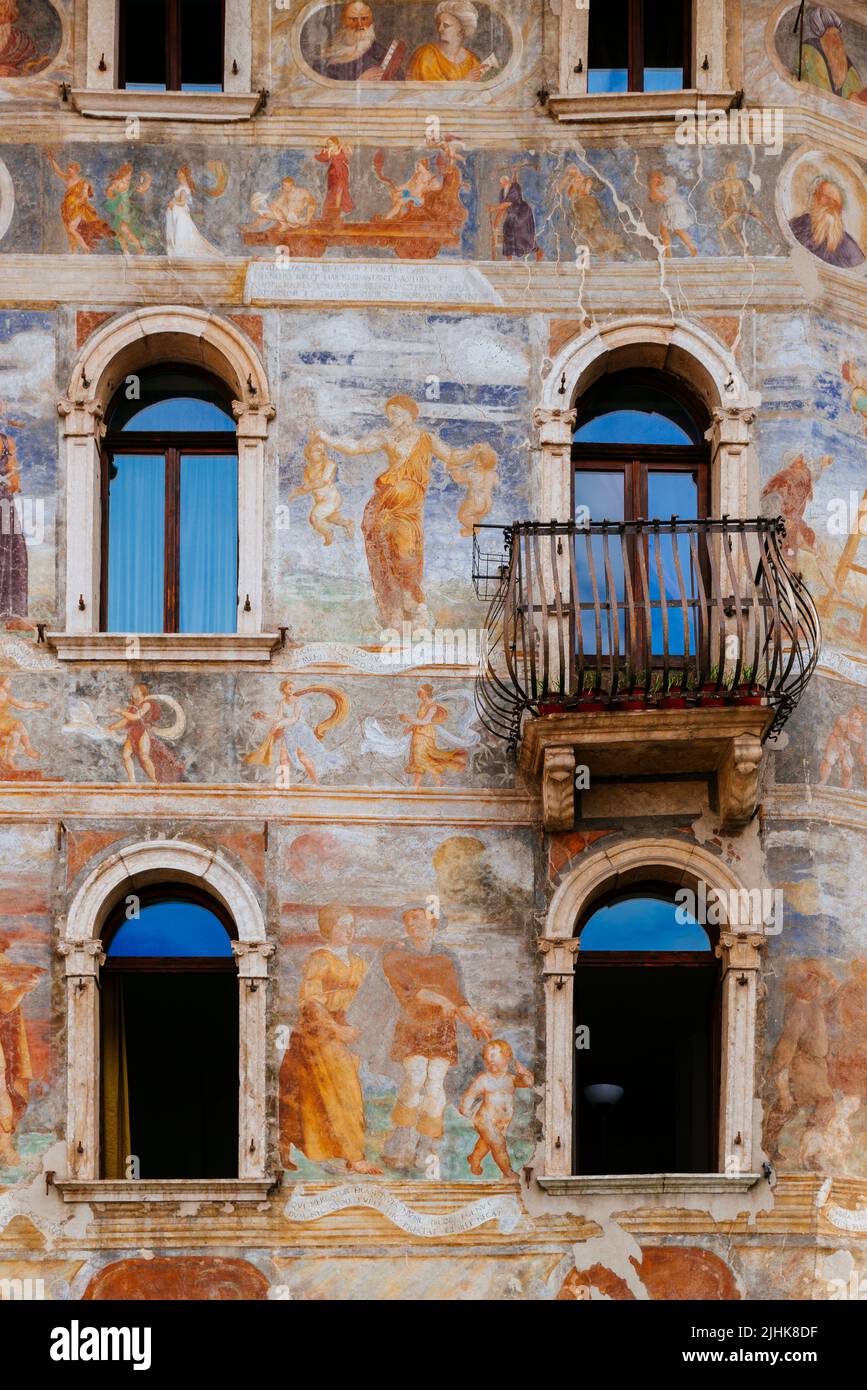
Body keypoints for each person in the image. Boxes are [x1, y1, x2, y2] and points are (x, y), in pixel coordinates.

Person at [315, 396, 492, 629]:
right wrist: (326, 438)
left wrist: (473, 452)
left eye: (397, 413)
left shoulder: (426, 439)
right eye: (390, 414)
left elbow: (451, 455)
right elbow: (357, 446)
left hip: (409, 510)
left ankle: (413, 602)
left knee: (406, 552)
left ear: (411, 413)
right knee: (386, 553)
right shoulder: (387, 438)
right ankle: (396, 610)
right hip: (385, 505)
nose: (393, 418)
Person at [381, 907, 492, 1171]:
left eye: (417, 918)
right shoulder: (395, 956)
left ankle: (426, 1142)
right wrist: (443, 1001)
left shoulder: (446, 958)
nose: (411, 924)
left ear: (433, 923)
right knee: (416, 1076)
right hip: (413, 1026)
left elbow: (458, 997)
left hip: (442, 1028)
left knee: (434, 1085)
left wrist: (474, 1018)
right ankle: (402, 1134)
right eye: (407, 920)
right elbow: (410, 992)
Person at [279, 906, 382, 1174]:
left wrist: (363, 1027)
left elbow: (369, 998)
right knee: (342, 1092)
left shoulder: (359, 962)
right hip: (319, 1034)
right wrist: (336, 1030)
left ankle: (337, 1151)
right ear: (328, 929)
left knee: (327, 1095)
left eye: (352, 925)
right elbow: (310, 1002)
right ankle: (354, 1156)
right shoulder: (320, 959)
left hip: (350, 1033)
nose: (349, 930)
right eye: (342, 925)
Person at [244, 679, 348, 784]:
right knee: (283, 757)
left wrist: (279, 724)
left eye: (292, 688)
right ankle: (285, 784)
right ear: (283, 689)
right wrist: (264, 716)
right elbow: (278, 717)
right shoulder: (282, 702)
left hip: (300, 730)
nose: (291, 690)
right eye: (289, 688)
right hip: (289, 731)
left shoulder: (298, 701)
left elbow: (294, 718)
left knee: (302, 756)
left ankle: (316, 783)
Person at [459, 1039, 533, 1179]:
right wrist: (465, 1108)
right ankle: (508, 1172)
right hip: (484, 1119)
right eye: (486, 1057)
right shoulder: (484, 1079)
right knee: (498, 1145)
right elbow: (471, 1093)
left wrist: (524, 1073)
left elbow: (528, 1083)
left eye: (493, 1055)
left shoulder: (511, 1079)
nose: (489, 1058)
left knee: (486, 1143)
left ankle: (474, 1159)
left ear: (507, 1057)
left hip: (502, 1122)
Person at [0, 937, 43, 1167]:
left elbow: (5, 1003)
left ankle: (4, 1145)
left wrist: (22, 988)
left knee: (0, 1090)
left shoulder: (2, 962)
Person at [105, 683, 186, 784]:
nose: (133, 692)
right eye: (133, 691)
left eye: (136, 690)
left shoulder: (147, 703)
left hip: (143, 731)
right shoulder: (132, 708)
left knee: (144, 756)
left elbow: (137, 717)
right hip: (133, 732)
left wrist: (120, 711)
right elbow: (126, 721)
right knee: (126, 755)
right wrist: (111, 727)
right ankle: (132, 781)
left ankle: (155, 781)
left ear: (142, 692)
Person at [788, 176, 866, 268]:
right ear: (815, 198)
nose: (830, 204)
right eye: (826, 197)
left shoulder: (847, 243)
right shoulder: (798, 225)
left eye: (835, 202)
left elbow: (859, 265)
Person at [400, 685, 468, 788]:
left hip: (426, 734)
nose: (420, 694)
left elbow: (425, 722)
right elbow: (419, 719)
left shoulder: (433, 707)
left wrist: (408, 719)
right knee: (418, 759)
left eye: (421, 692)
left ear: (427, 693)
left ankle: (439, 779)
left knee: (420, 758)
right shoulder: (422, 705)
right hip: (417, 734)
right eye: (419, 692)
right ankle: (415, 785)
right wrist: (409, 728)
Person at [291, 436, 354, 545]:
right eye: (317, 450)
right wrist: (297, 492)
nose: (322, 452)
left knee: (315, 517)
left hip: (331, 498)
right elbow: (307, 485)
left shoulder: (329, 464)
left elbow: (323, 481)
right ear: (309, 453)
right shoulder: (307, 470)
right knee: (330, 518)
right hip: (320, 500)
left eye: (323, 450)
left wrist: (304, 489)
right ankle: (347, 523)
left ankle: (328, 533)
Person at [46, 153, 114, 254]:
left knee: (72, 228)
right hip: (67, 209)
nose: (69, 170)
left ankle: (86, 248)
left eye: (71, 168)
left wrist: (76, 202)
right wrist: (52, 160)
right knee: (69, 231)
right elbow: (58, 171)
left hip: (78, 208)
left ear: (76, 170)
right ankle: (74, 251)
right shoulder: (67, 178)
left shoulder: (83, 182)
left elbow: (84, 196)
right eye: (68, 168)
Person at [309, 1, 391, 82]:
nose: (359, 24)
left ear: (371, 21)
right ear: (343, 22)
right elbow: (319, 88)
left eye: (364, 19)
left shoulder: (380, 52)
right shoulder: (328, 55)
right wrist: (360, 81)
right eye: (353, 19)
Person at [800, 6, 866, 102]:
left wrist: (856, 98)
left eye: (838, 35)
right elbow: (819, 94)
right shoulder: (811, 50)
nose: (837, 41)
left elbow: (858, 95)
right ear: (822, 39)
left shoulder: (846, 64)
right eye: (832, 35)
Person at [407, 1, 484, 81]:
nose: (440, 29)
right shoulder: (427, 54)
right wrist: (465, 82)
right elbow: (434, 91)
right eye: (439, 24)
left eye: (446, 25)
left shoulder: (472, 60)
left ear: (461, 30)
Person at [0, 418, 27, 617]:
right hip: (4, 502)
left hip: (4, 503)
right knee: (11, 551)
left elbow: (14, 481)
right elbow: (14, 481)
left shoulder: (8, 442)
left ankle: (7, 610)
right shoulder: (7, 442)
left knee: (11, 550)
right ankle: (8, 609)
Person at [165, 167, 222, 259]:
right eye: (178, 173)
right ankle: (177, 250)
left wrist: (173, 202)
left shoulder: (183, 188)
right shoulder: (181, 186)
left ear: (184, 175)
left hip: (180, 213)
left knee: (181, 231)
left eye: (180, 173)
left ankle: (181, 250)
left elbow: (182, 203)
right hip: (177, 213)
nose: (178, 175)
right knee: (179, 230)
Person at [490, 173, 542, 260]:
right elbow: (502, 208)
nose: (502, 185)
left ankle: (538, 251)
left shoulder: (515, 187)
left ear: (508, 181)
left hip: (522, 213)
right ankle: (509, 259)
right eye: (501, 183)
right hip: (512, 215)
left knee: (521, 234)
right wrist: (496, 222)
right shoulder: (502, 192)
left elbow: (507, 203)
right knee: (507, 230)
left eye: (504, 183)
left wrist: (493, 208)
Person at [104, 163, 153, 255]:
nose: (129, 177)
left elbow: (142, 189)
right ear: (124, 173)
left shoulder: (130, 184)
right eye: (128, 174)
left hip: (126, 211)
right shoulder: (117, 182)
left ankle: (139, 248)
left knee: (125, 229)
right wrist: (113, 198)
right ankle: (126, 250)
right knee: (119, 232)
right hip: (118, 210)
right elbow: (108, 191)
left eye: (130, 174)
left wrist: (148, 179)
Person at [0, 675, 46, 770]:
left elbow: (23, 704)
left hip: (5, 722)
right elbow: (22, 704)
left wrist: (37, 705)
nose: (10, 683)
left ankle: (10, 760)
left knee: (16, 734)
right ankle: (28, 749)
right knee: (18, 725)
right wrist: (37, 705)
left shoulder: (6, 694)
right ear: (3, 682)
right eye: (8, 681)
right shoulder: (4, 694)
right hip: (2, 722)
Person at [648, 169, 697, 257]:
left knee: (678, 230)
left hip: (675, 208)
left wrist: (654, 188)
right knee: (663, 231)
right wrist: (652, 187)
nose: (654, 181)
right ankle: (668, 253)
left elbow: (663, 198)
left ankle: (692, 248)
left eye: (655, 178)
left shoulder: (669, 182)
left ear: (659, 177)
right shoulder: (656, 187)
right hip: (667, 209)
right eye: (652, 180)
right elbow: (652, 199)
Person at [243, 175, 317, 234]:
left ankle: (284, 225)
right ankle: (250, 228)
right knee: (264, 216)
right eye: (284, 186)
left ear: (293, 185)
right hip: (287, 217)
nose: (286, 188)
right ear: (283, 186)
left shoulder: (302, 192)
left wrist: (308, 220)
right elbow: (278, 205)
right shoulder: (285, 193)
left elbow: (313, 204)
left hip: (295, 218)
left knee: (274, 203)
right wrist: (268, 209)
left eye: (289, 186)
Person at [315, 137, 355, 222]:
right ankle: (333, 212)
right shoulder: (326, 150)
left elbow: (350, 155)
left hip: (342, 172)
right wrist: (329, 153)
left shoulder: (341, 148)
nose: (330, 144)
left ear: (336, 143)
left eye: (331, 143)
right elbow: (322, 159)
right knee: (333, 192)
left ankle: (337, 211)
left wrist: (348, 147)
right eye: (328, 143)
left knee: (340, 190)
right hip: (333, 174)